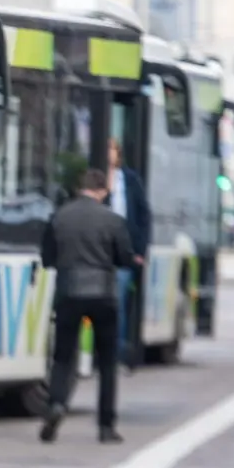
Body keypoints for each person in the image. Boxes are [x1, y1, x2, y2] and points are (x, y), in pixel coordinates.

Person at [40, 168, 139, 444]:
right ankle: (106, 426)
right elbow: (124, 259)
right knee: (107, 363)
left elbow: (47, 258)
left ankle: (56, 404)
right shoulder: (113, 220)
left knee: (62, 357)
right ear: (102, 191)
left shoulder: (59, 217)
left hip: (69, 293)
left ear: (79, 189)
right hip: (103, 296)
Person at [106, 138, 151, 370]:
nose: (108, 154)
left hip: (124, 252)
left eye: (112, 150)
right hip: (100, 251)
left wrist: (140, 251)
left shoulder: (130, 179)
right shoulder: (96, 180)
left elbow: (144, 216)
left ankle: (117, 354)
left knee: (118, 305)